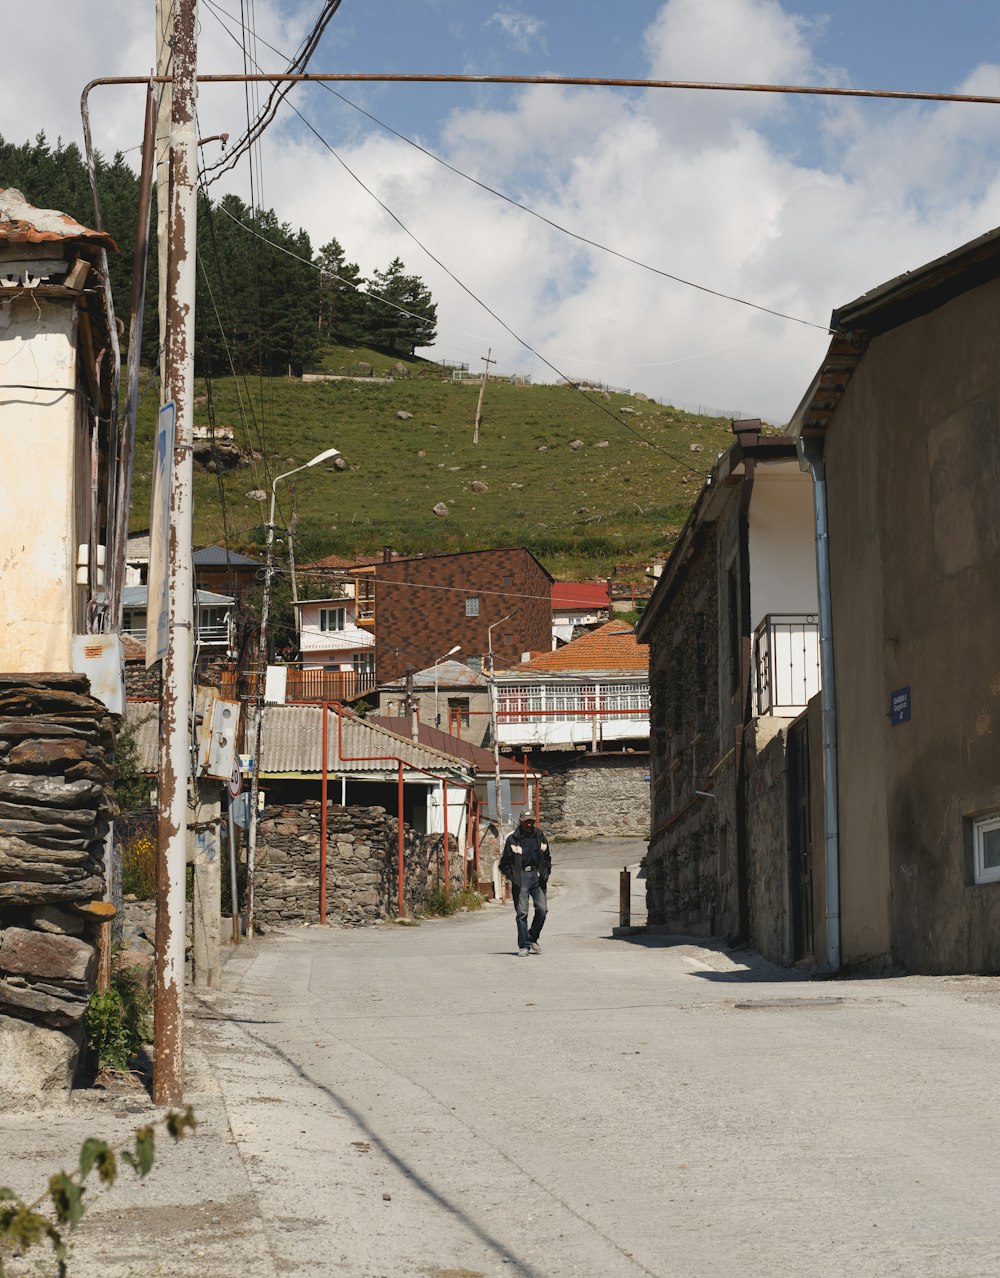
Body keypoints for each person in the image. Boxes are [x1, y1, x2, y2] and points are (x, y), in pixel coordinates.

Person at [499, 810, 552, 956]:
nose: (529, 824)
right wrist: (513, 877)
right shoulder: (513, 839)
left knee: (542, 909)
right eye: (526, 821)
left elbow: (547, 858)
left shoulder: (540, 836)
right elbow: (504, 863)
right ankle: (524, 946)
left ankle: (532, 937)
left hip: (537, 876)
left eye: (531, 821)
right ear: (521, 821)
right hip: (520, 878)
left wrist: (545, 873)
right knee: (522, 913)